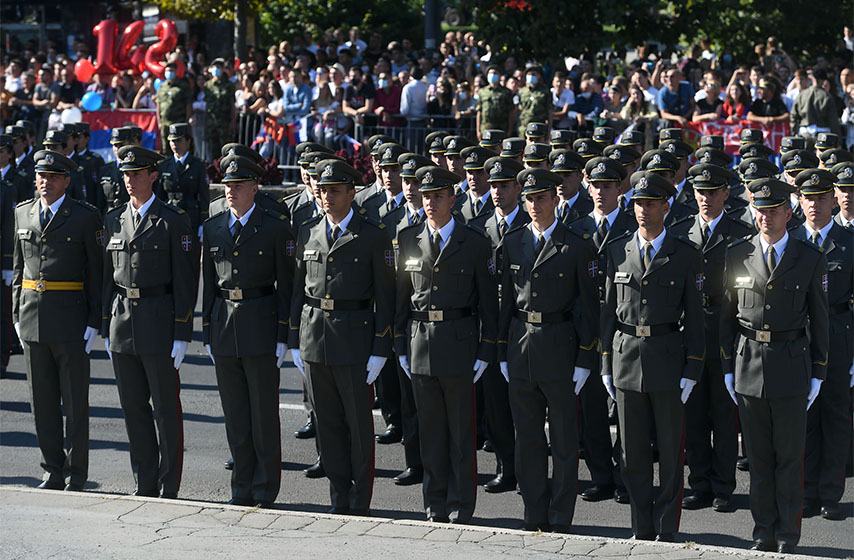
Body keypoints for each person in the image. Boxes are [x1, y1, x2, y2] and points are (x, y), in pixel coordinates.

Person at [720, 176, 829, 554]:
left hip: (791, 367)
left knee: (789, 458)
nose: (766, 216)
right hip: (749, 366)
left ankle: (787, 534)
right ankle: (762, 531)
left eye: (773, 210)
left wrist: (818, 372)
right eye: (760, 210)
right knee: (760, 459)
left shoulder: (809, 257)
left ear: (788, 212)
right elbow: (727, 316)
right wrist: (727, 367)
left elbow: (820, 320)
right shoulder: (738, 253)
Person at [600, 170, 705, 542]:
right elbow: (608, 313)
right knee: (632, 454)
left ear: (666, 206)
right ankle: (640, 526)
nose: (643, 210)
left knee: (671, 454)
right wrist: (605, 363)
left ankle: (666, 526)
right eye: (638, 204)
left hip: (667, 360)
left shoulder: (684, 254)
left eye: (651, 204)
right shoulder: (617, 249)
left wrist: (693, 368)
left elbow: (694, 317)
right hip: (626, 359)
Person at [289, 159, 395, 515]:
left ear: (352, 192)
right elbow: (297, 290)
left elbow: (386, 296)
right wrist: (294, 339)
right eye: (322, 190)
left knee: (358, 426)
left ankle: (360, 496)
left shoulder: (372, 234)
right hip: (315, 337)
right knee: (327, 422)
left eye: (335, 191)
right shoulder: (308, 230)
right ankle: (338, 494)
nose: (327, 197)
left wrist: (381, 347)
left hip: (354, 339)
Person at [394, 165, 498, 524]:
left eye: (438, 196)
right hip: (420, 345)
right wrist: (399, 346)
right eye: (426, 197)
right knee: (430, 431)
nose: (430, 203)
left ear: (453, 199)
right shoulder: (408, 238)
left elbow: (489, 304)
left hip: (459, 344)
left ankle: (460, 502)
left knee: (460, 433)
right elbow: (401, 300)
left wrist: (486, 349)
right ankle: (434, 500)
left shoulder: (474, 242)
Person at [497, 167, 599, 533]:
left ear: (556, 199)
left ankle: (560, 515)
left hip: (561, 348)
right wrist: (501, 352)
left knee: (564, 441)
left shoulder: (577, 244)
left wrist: (586, 358)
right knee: (527, 439)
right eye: (529, 198)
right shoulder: (512, 242)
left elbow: (589, 309)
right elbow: (505, 303)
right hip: (521, 348)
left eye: (542, 197)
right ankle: (533, 510)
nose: (536, 204)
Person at [201, 153, 295, 508]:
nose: (231, 191)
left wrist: (285, 334)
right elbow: (209, 284)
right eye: (227, 185)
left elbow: (286, 286)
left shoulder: (274, 226)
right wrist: (208, 329)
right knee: (236, 415)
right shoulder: (213, 227)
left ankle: (265, 487)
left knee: (263, 415)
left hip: (261, 322)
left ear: (255, 188)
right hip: (225, 324)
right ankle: (240, 485)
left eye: (238, 185)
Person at [102, 145, 195, 499]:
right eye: (125, 174)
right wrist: (104, 322)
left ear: (153, 176)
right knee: (133, 408)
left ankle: (169, 484)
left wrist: (182, 331)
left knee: (166, 409)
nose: (128, 180)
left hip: (159, 320)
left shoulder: (173, 220)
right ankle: (144, 480)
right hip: (122, 321)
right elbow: (106, 278)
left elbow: (186, 281)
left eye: (136, 174)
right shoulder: (114, 218)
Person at [11, 149, 103, 492]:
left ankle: (77, 472)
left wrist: (95, 319)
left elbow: (96, 272)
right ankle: (52, 469)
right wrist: (17, 314)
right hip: (33, 318)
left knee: (75, 402)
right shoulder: (23, 213)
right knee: (42, 402)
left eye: (52, 177)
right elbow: (20, 271)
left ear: (66, 180)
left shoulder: (83, 217)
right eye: (41, 176)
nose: (44, 182)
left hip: (71, 319)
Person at [671, 163, 753, 514]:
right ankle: (699, 482)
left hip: (724, 325)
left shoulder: (741, 233)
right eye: (700, 192)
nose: (705, 198)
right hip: (690, 328)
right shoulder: (681, 230)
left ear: (725, 194)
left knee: (723, 413)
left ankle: (723, 486)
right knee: (693, 413)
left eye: (712, 192)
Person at [795, 168, 853, 522]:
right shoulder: (789, 238)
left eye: (821, 197)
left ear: (833, 199)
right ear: (798, 201)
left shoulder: (849, 243)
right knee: (801, 420)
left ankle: (831, 493)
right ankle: (805, 492)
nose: (814, 204)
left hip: (837, 336)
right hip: (796, 339)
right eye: (808, 197)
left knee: (834, 417)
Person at [790, 69, 842, 140]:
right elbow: (833, 120)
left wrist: (794, 133)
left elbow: (793, 116)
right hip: (823, 136)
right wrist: (838, 139)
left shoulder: (802, 95)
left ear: (812, 78)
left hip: (804, 134)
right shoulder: (826, 96)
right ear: (824, 80)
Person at [155, 62, 192, 157]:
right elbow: (158, 105)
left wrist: (187, 121)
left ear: (176, 71)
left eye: (171, 71)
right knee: (165, 148)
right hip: (165, 123)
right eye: (167, 71)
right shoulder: (162, 87)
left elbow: (188, 104)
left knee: (180, 148)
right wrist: (159, 122)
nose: (169, 73)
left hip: (178, 122)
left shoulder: (182, 86)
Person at [205, 59, 237, 161]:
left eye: (219, 67)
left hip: (224, 122)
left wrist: (232, 122)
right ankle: (214, 172)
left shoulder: (229, 85)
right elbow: (206, 104)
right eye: (214, 67)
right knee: (213, 149)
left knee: (226, 149)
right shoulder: (208, 85)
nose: (216, 70)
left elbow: (232, 105)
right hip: (211, 122)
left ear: (223, 69)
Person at [476, 65, 514, 137]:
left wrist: (509, 131)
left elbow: (510, 113)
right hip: (486, 128)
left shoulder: (506, 92)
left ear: (500, 76)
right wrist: (478, 130)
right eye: (490, 73)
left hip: (502, 127)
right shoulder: (482, 91)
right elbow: (479, 112)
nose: (492, 75)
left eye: (495, 73)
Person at [517, 65, 551, 137]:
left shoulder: (545, 91)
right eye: (529, 74)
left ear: (539, 76)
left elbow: (550, 112)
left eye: (533, 74)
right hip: (524, 127)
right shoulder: (522, 92)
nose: (531, 76)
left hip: (539, 127)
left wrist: (549, 130)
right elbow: (518, 110)